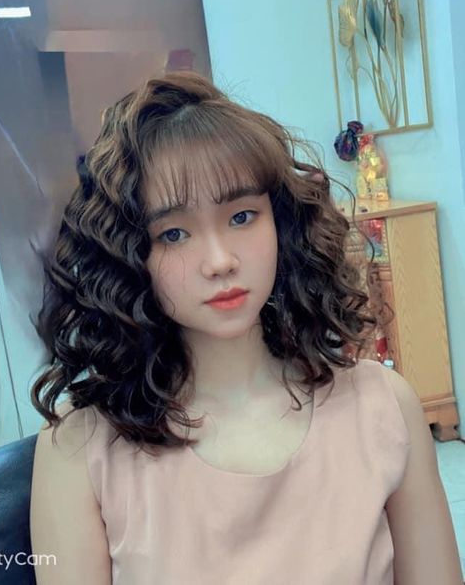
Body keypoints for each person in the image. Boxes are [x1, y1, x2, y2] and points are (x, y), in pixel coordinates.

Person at [29, 71, 462, 584]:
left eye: (241, 217)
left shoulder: (384, 407)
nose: (220, 261)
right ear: (129, 255)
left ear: (280, 222)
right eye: (173, 233)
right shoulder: (79, 452)